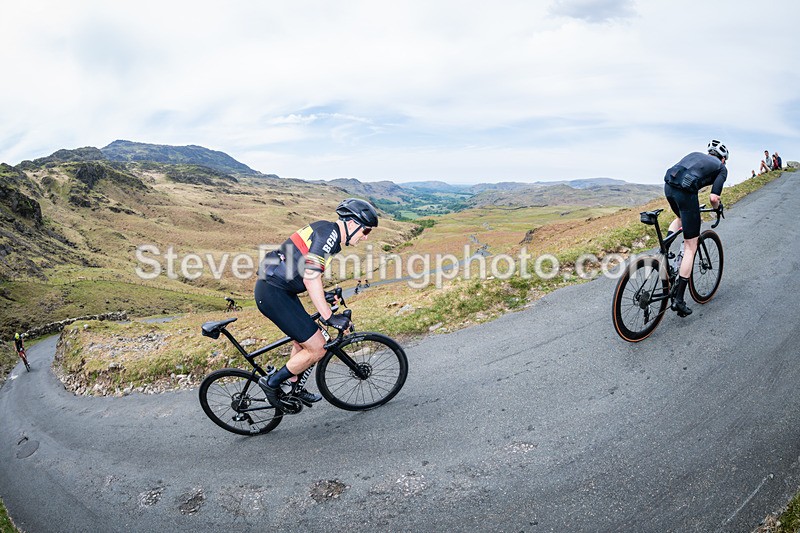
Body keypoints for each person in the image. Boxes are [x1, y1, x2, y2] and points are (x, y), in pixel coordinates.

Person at [255, 198, 379, 409]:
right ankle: (272, 383)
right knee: (318, 348)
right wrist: (329, 317)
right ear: (351, 224)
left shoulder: (327, 231)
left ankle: (293, 387)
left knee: (302, 340)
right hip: (274, 293)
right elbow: (310, 277)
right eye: (365, 231)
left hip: (279, 290)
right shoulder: (329, 235)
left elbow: (302, 268)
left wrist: (326, 295)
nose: (365, 237)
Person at [663, 140, 728, 317]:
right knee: (691, 246)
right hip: (685, 193)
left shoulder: (695, 155)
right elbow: (714, 198)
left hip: (668, 186)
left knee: (680, 218)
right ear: (723, 159)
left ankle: (665, 252)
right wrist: (717, 209)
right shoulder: (721, 168)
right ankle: (679, 300)